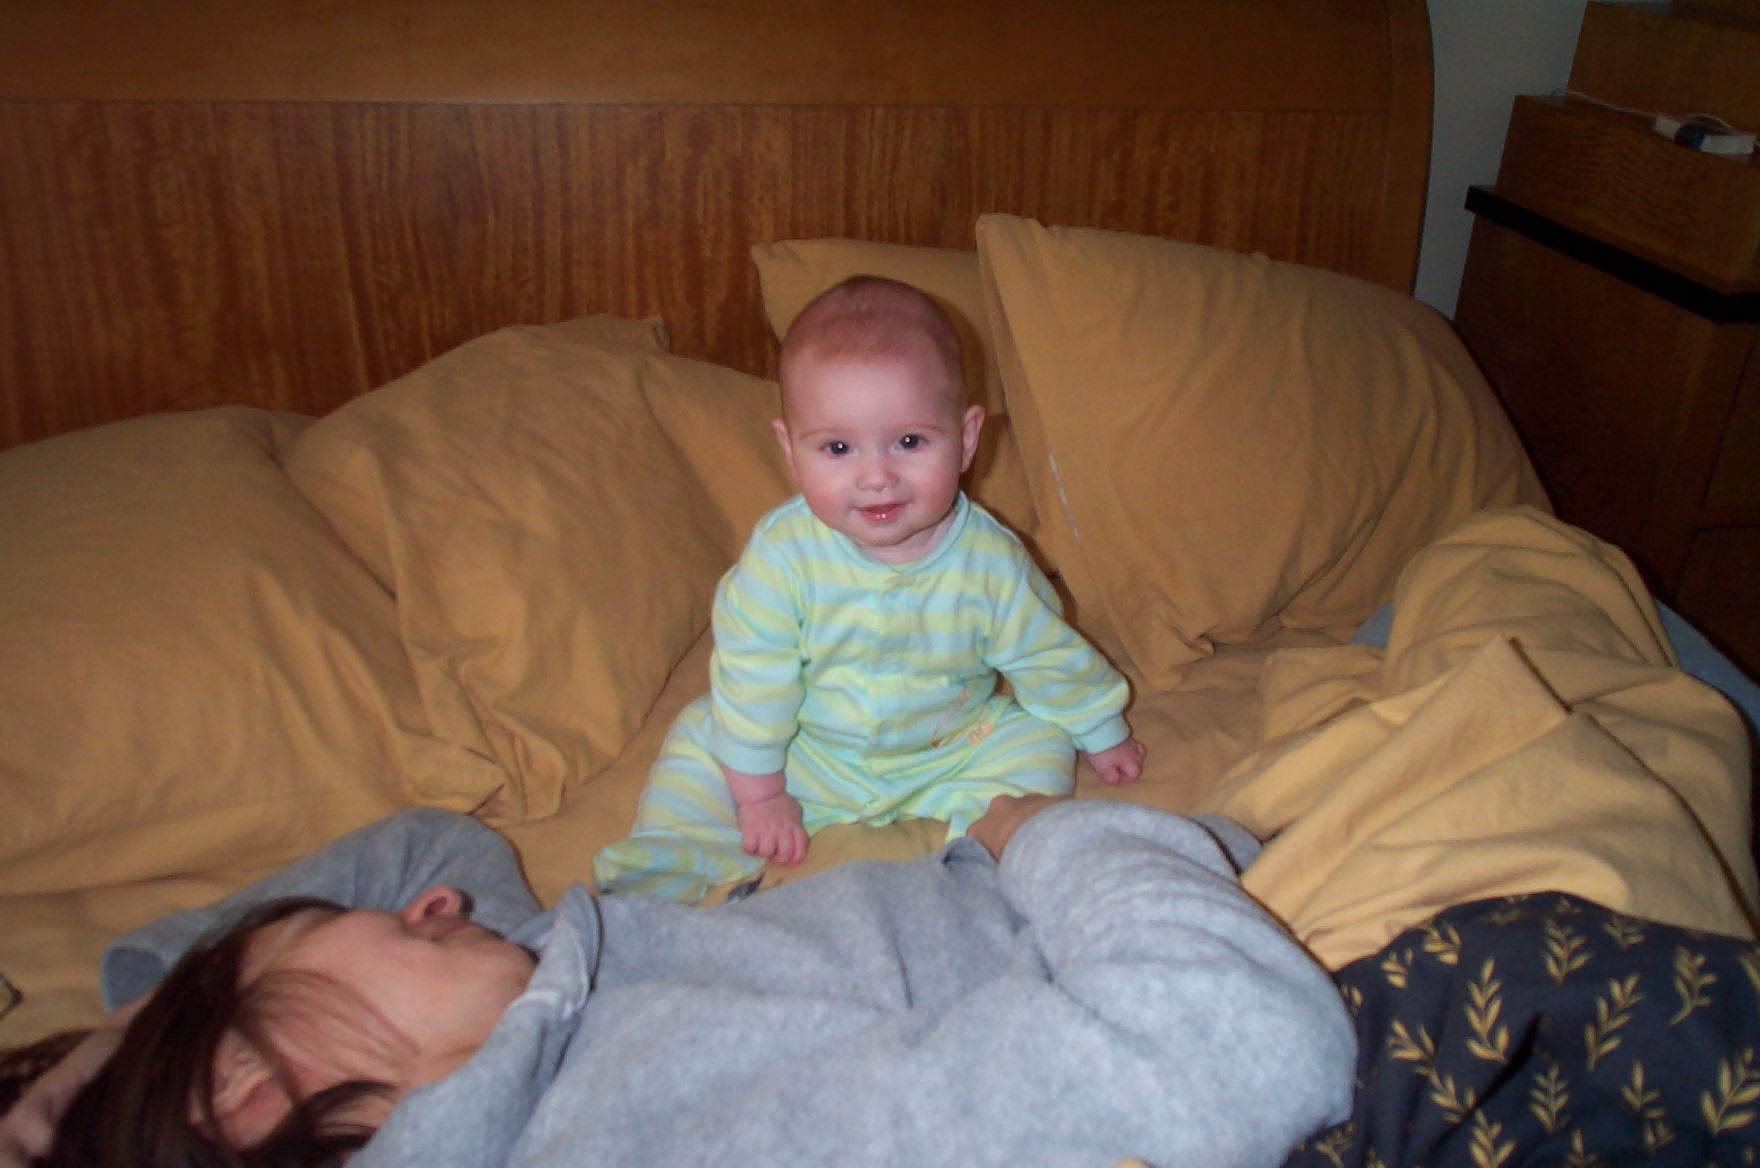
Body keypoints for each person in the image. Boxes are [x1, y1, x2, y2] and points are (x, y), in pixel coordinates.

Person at [2, 796, 1354, 1168]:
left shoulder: (504, 1025)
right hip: (1228, 926)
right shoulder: (643, 1125)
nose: (433, 902)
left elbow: (430, 840)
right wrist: (1040, 832)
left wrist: (123, 1042)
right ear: (245, 1085)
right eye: (375, 929)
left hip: (1145, 891)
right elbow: (1230, 1044)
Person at [595, 276, 1147, 900]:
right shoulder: (782, 556)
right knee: (703, 739)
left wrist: (1101, 730)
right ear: (790, 450)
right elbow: (754, 673)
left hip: (950, 749)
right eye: (838, 447)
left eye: (909, 441)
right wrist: (761, 793)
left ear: (966, 439)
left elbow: (1043, 652)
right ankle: (671, 862)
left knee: (1039, 743)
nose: (877, 476)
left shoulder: (991, 562)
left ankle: (988, 855)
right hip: (807, 749)